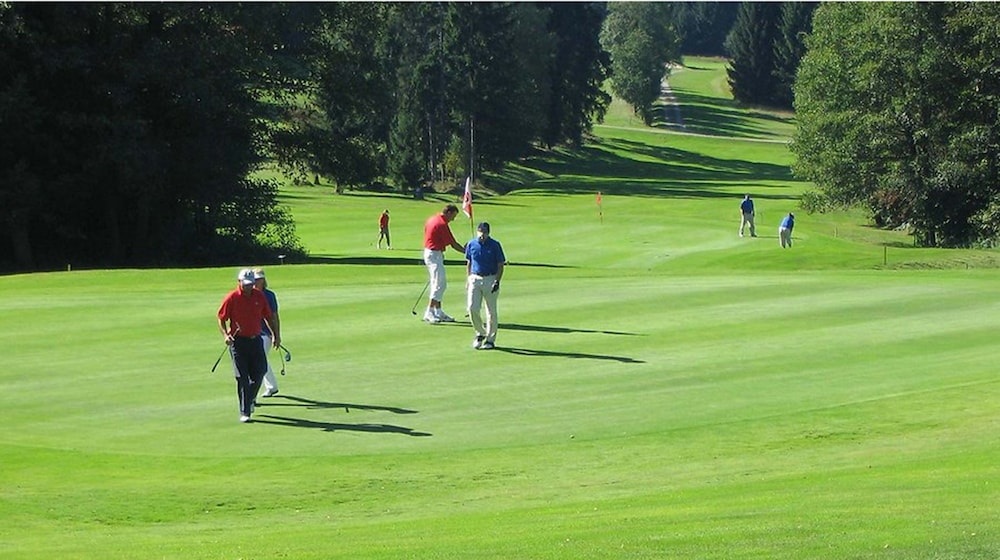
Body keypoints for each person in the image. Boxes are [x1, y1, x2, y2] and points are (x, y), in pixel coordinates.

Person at [217, 268, 280, 423]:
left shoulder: (259, 296)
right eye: (245, 284)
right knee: (242, 377)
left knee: (260, 371)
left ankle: (250, 398)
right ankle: (245, 411)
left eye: (250, 284)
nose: (248, 287)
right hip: (238, 342)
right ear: (239, 282)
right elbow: (221, 318)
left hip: (255, 340)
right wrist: (225, 335)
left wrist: (275, 335)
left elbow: (268, 317)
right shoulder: (232, 297)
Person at [465, 222, 506, 350]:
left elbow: (500, 265)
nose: (482, 235)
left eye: (484, 232)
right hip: (475, 278)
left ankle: (490, 340)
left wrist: (497, 281)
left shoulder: (495, 245)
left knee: (491, 311)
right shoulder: (471, 244)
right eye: (480, 232)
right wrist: (468, 279)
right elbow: (469, 262)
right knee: (472, 307)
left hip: (490, 278)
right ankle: (480, 333)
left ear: (488, 233)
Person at [422, 204, 466, 323]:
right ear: (448, 213)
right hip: (434, 254)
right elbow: (453, 244)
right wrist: (467, 252)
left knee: (437, 283)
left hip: (432, 253)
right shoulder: (441, 224)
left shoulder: (432, 219)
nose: (453, 219)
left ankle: (438, 311)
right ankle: (429, 312)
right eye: (453, 216)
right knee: (440, 284)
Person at [253, 268, 282, 398]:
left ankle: (254, 393)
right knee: (260, 360)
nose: (256, 282)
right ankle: (272, 387)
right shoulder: (249, 294)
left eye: (259, 279)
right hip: (252, 333)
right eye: (255, 279)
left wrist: (276, 335)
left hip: (266, 334)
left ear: (263, 280)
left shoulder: (269, 295)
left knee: (259, 359)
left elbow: (274, 316)